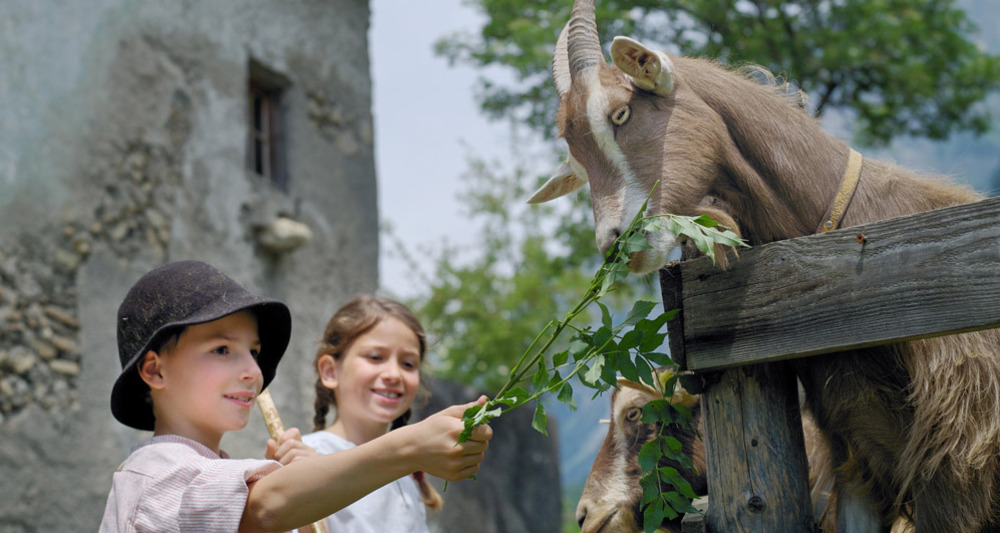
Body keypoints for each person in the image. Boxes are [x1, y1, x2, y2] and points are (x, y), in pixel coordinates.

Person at [99, 261, 492, 533]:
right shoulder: (152, 473)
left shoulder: (217, 469)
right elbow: (266, 507)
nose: (254, 371)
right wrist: (409, 447)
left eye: (253, 352)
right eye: (221, 350)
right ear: (154, 370)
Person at [268, 296, 447, 533]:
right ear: (330, 371)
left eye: (408, 363)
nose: (394, 374)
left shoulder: (405, 474)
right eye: (375, 357)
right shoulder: (305, 459)